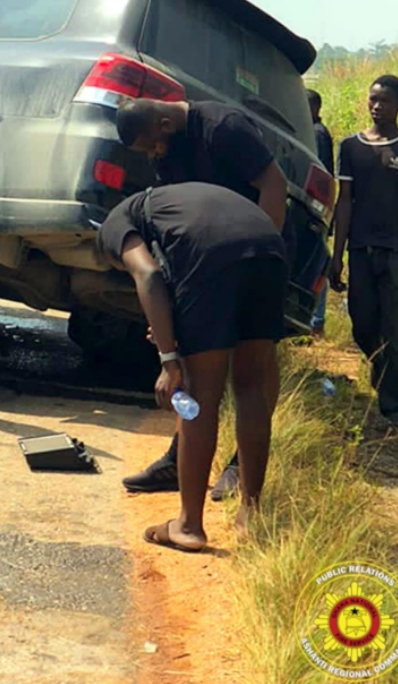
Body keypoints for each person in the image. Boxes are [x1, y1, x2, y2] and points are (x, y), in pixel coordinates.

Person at [98, 182, 286, 551]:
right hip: (270, 248)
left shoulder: (113, 228)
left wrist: (169, 361)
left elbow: (148, 275)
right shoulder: (171, 204)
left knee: (200, 394)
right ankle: (251, 515)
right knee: (251, 387)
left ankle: (188, 526)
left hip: (214, 253)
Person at [115, 98, 288, 500]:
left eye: (152, 145)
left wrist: (265, 254)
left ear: (165, 123)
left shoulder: (223, 126)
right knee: (196, 365)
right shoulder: (168, 150)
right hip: (206, 261)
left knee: (254, 368)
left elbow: (273, 184)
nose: (154, 154)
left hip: (258, 251)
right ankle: (180, 459)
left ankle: (240, 468)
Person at [330, 75, 398, 434]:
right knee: (363, 321)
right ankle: (380, 364)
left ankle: (393, 407)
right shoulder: (351, 147)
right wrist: (337, 254)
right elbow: (344, 204)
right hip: (361, 250)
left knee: (397, 329)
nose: (376, 106)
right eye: (372, 99)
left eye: (385, 101)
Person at [306, 89, 334, 334]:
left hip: (315, 205)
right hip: (319, 205)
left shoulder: (316, 134)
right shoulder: (319, 132)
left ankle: (317, 320)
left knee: (317, 260)